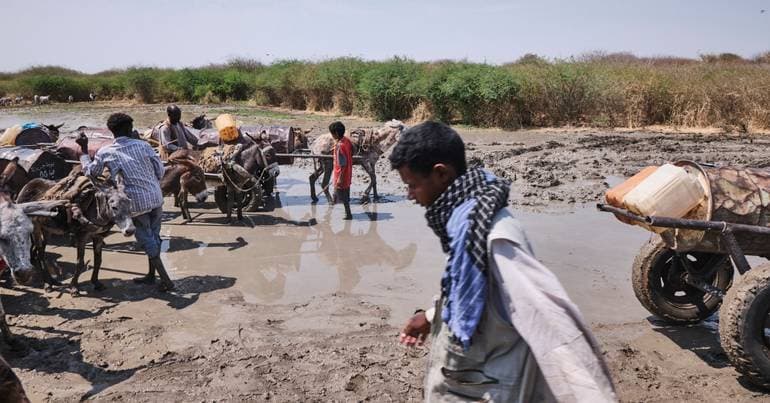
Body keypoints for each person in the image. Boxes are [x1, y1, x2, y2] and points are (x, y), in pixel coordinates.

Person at [390, 122, 616, 402]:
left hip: (489, 388)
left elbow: (553, 326)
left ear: (441, 174)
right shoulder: (466, 225)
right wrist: (430, 316)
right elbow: (471, 289)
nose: (409, 196)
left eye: (412, 185)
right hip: (463, 382)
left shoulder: (495, 239)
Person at [77, 113, 175, 291]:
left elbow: (90, 172)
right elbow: (160, 171)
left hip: (134, 204)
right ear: (130, 129)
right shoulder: (144, 146)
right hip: (156, 198)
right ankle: (152, 276)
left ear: (111, 131)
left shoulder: (106, 151)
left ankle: (167, 281)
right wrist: (149, 184)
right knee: (154, 236)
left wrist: (84, 151)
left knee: (148, 241)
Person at [330, 121, 353, 220]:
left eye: (332, 133)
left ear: (336, 133)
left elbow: (342, 165)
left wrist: (339, 178)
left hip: (341, 174)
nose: (332, 136)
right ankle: (347, 213)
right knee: (345, 193)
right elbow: (352, 150)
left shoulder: (340, 146)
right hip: (348, 172)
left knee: (342, 194)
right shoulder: (346, 141)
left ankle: (348, 214)